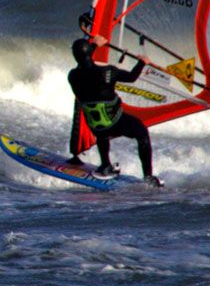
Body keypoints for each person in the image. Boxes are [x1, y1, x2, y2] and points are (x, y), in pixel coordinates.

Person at [67, 35, 163, 186]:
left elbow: (83, 62)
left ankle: (106, 164)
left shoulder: (72, 76)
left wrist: (94, 45)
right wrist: (141, 63)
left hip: (95, 126)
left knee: (102, 130)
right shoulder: (108, 72)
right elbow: (131, 77)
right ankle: (148, 177)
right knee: (142, 132)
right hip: (115, 121)